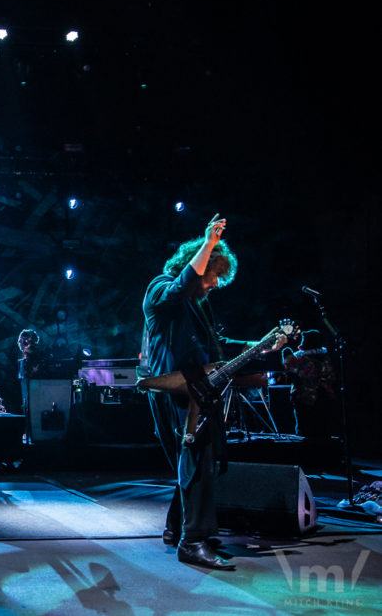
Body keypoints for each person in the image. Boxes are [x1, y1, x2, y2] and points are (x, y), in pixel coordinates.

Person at [142, 214, 279, 570]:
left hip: (197, 391)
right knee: (195, 462)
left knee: (195, 462)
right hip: (173, 390)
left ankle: (177, 529)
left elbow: (219, 347)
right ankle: (193, 541)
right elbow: (178, 288)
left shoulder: (196, 308)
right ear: (199, 266)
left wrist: (262, 345)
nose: (215, 283)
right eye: (214, 274)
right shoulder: (161, 288)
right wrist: (208, 244)